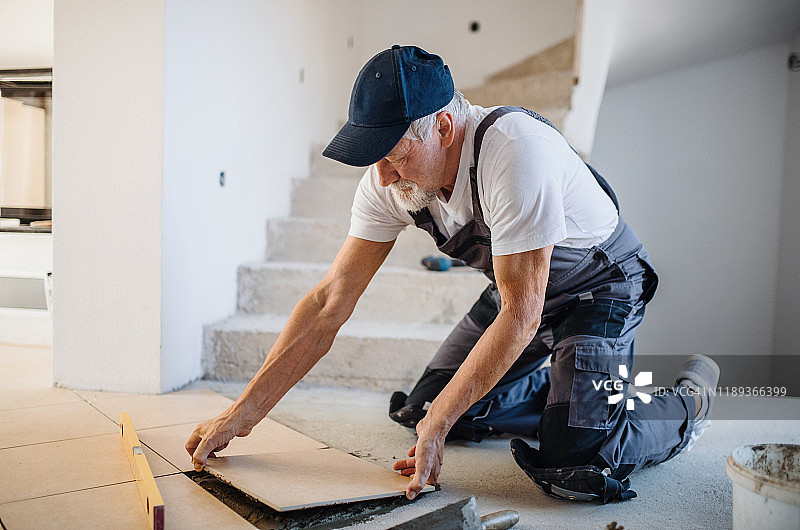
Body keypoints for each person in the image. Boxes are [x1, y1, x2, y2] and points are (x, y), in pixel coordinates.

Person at [186, 45, 720, 503]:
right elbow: (329, 304)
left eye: (394, 155)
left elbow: (521, 314)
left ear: (443, 126)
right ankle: (567, 390)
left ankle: (687, 401)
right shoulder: (391, 181)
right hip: (519, 291)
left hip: (597, 286)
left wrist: (440, 423)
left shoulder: (513, 152)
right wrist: (242, 413)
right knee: (427, 409)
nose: (383, 176)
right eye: (375, 157)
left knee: (574, 460)